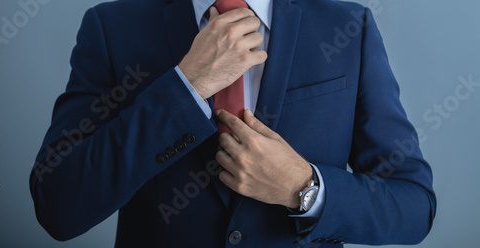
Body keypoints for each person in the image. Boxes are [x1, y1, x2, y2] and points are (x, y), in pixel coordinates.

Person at [30, 0, 436, 247]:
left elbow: (414, 206)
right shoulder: (110, 29)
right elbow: (59, 207)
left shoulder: (349, 28)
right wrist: (186, 85)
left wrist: (304, 188)